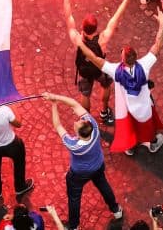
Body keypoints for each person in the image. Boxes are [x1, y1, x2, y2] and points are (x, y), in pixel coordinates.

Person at [70, 8, 163, 155]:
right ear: (136, 57)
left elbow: (95, 58)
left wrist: (81, 45)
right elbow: (158, 44)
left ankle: (130, 147)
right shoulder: (145, 64)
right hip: (144, 108)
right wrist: (162, 23)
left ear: (123, 59)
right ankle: (152, 144)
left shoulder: (115, 70)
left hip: (127, 108)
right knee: (147, 127)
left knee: (129, 127)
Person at [42, 92, 123, 229]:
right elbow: (74, 104)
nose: (76, 121)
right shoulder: (94, 127)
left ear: (79, 135)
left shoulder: (74, 146)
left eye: (77, 124)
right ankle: (116, 210)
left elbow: (58, 126)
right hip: (98, 166)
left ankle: (74, 226)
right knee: (103, 185)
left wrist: (54, 104)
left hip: (79, 174)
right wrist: (56, 97)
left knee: (74, 198)